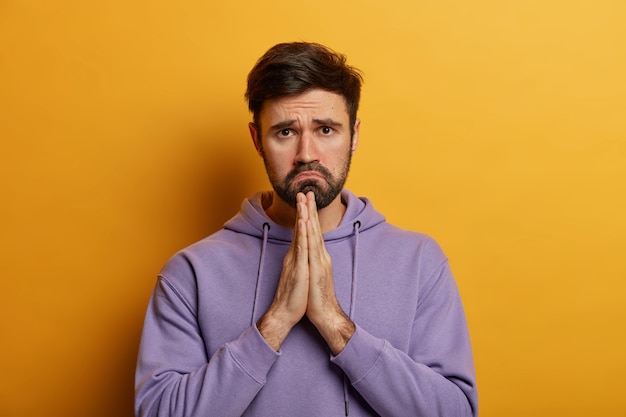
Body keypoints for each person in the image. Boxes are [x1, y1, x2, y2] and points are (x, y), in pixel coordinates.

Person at [135, 42, 478, 417]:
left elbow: (456, 412)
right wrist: (277, 320)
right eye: (285, 132)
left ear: (355, 136)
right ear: (257, 140)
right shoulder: (191, 273)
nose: (307, 154)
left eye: (326, 129)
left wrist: (334, 324)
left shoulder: (419, 261)